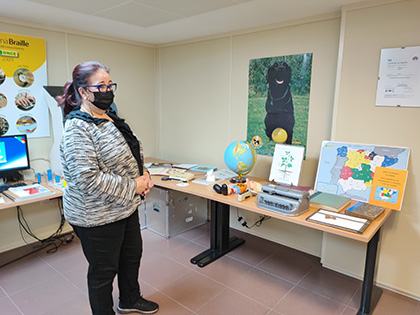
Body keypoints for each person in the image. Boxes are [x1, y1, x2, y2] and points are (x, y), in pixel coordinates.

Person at [57, 61, 158, 315]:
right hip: (95, 215)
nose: (108, 90)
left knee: (131, 257)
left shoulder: (109, 118)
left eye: (110, 84)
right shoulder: (77, 128)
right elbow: (86, 179)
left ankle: (130, 299)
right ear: (83, 91)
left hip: (124, 207)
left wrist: (143, 175)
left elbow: (129, 153)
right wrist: (133, 185)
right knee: (104, 272)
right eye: (100, 86)